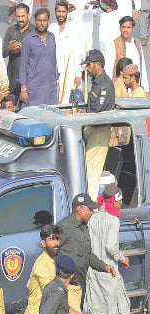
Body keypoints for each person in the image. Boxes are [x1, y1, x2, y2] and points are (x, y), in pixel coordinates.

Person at [85, 185, 138, 314]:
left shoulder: (93, 217)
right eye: (121, 201)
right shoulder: (112, 220)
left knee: (92, 309)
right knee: (120, 308)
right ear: (115, 201)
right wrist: (122, 258)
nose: (122, 204)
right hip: (110, 271)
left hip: (93, 269)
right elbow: (110, 247)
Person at [58, 193, 116, 311]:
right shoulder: (64, 227)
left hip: (79, 285)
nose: (92, 212)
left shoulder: (84, 227)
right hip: (65, 287)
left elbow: (88, 254)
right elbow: (51, 253)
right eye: (89, 209)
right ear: (79, 209)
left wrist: (105, 266)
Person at [82, 50, 115, 200]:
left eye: (89, 64)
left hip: (99, 131)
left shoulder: (105, 85)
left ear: (98, 65)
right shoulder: (95, 82)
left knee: (91, 172)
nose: (87, 68)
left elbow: (98, 110)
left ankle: (92, 207)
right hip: (92, 129)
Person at [19, 8, 59, 107]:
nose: (41, 23)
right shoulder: (28, 40)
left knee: (51, 115)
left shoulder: (52, 37)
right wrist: (23, 88)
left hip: (51, 87)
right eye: (39, 20)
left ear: (48, 21)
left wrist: (57, 82)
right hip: (34, 88)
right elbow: (23, 65)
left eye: (44, 21)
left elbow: (54, 61)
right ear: (35, 21)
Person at [49, 1, 82, 103]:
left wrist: (78, 74)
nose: (61, 14)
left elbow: (77, 52)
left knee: (68, 97)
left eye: (63, 11)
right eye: (59, 11)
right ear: (55, 12)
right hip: (54, 68)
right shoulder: (51, 28)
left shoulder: (73, 29)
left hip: (69, 69)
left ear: (68, 12)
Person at [107, 16, 149, 91]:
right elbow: (109, 68)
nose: (125, 30)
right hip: (120, 89)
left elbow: (142, 67)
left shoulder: (137, 43)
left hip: (136, 88)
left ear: (133, 29)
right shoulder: (114, 44)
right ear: (120, 28)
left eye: (128, 27)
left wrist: (146, 89)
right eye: (123, 27)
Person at [3, 3, 34, 97]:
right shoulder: (11, 30)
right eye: (18, 16)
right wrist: (9, 48)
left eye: (23, 16)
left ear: (28, 15)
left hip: (30, 76)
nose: (20, 19)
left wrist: (24, 49)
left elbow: (39, 54)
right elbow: (3, 53)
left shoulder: (35, 31)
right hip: (13, 76)